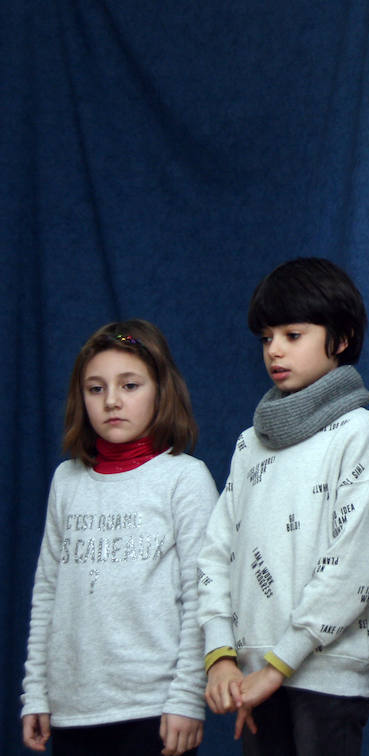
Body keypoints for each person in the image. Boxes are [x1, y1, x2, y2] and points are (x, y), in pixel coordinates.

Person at [197, 257, 369, 756]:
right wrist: (222, 656)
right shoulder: (251, 443)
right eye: (267, 338)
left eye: (293, 334)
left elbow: (356, 564)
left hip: (327, 679)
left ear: (343, 337)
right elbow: (215, 552)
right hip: (255, 676)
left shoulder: (358, 432)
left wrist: (278, 664)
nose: (275, 351)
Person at [20, 319, 218, 756]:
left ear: (160, 391)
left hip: (153, 710)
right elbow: (47, 594)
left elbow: (202, 596)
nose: (112, 401)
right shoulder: (67, 481)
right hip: (73, 709)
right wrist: (36, 691)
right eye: (96, 388)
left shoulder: (184, 478)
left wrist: (187, 697)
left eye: (129, 386)